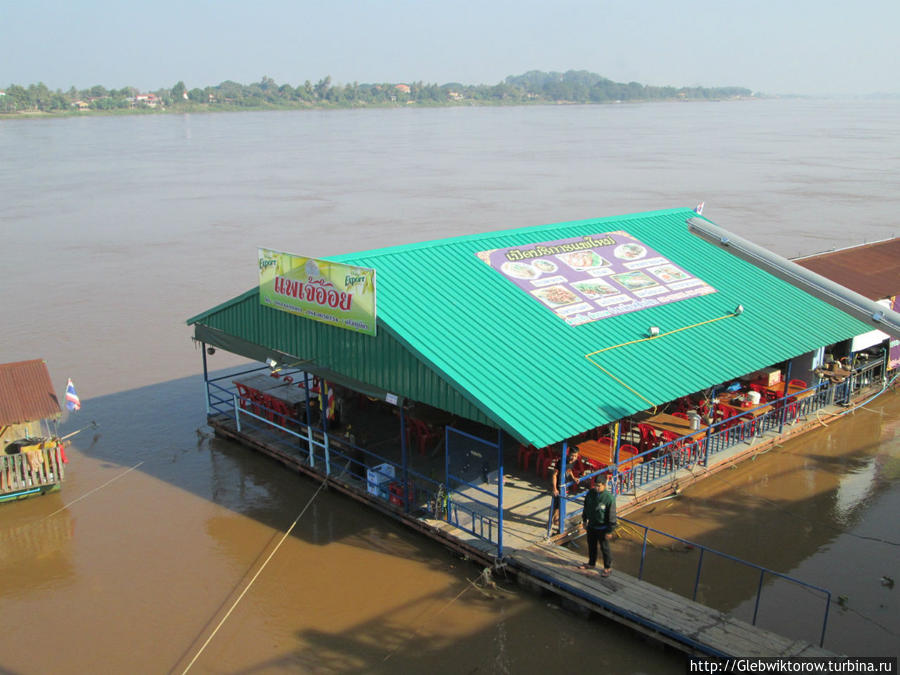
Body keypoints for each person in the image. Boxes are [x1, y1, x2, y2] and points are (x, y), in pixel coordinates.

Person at [579, 473, 617, 577]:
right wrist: (584, 520)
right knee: (591, 546)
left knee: (605, 548)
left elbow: (612, 516)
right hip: (591, 525)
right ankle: (591, 563)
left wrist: (610, 530)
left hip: (603, 527)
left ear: (604, 485)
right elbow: (586, 507)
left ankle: (607, 567)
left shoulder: (609, 498)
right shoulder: (590, 493)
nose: (596, 487)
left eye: (599, 486)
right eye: (595, 485)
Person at [548, 446, 586, 528]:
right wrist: (554, 488)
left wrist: (573, 478)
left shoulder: (573, 462)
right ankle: (550, 522)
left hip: (565, 486)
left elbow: (569, 469)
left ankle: (556, 520)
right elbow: (554, 475)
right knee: (555, 506)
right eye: (572, 455)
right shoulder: (561, 462)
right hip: (558, 486)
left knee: (561, 505)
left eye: (575, 456)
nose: (574, 458)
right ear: (569, 454)